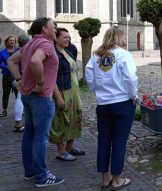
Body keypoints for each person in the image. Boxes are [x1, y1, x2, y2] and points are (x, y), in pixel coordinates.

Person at [7, 17, 64, 187]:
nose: (55, 30)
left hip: (28, 96)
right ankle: (41, 176)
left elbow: (11, 61)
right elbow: (35, 61)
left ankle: (30, 172)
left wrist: (19, 79)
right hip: (40, 97)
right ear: (44, 29)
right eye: (53, 27)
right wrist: (40, 84)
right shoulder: (45, 44)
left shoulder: (30, 44)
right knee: (40, 137)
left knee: (29, 134)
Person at [85, 26, 138, 190]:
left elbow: (88, 74)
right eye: (123, 36)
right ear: (118, 37)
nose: (125, 39)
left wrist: (97, 91)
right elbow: (130, 78)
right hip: (121, 102)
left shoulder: (96, 55)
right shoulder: (123, 54)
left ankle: (105, 177)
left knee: (104, 140)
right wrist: (133, 96)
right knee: (119, 141)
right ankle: (117, 179)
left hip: (103, 104)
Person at [49, 27, 84, 161]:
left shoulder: (68, 51)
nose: (68, 39)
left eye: (69, 37)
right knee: (61, 120)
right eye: (65, 37)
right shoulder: (53, 54)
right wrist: (58, 97)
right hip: (62, 91)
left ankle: (69, 147)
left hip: (74, 91)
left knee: (75, 118)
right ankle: (60, 151)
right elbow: (51, 77)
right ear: (56, 38)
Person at [12, 34, 31, 132]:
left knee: (22, 99)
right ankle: (18, 123)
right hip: (22, 79)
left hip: (16, 79)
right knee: (20, 99)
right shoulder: (25, 51)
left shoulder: (16, 51)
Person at [0, 35, 18, 117]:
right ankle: (4, 110)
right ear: (7, 42)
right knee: (5, 94)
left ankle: (20, 110)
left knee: (18, 94)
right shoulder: (2, 52)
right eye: (10, 40)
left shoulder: (18, 51)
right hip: (6, 76)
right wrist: (6, 66)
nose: (12, 42)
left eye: (13, 40)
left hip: (17, 76)